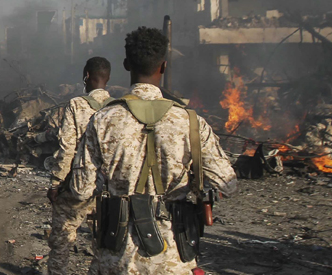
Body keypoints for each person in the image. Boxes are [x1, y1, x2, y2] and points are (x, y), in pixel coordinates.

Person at [66, 26, 237, 274]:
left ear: (126, 65)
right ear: (164, 66)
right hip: (174, 256)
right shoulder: (191, 122)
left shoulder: (102, 120)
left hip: (116, 256)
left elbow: (81, 190)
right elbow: (227, 185)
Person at [46, 56, 112, 275]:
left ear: (86, 77)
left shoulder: (76, 105)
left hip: (79, 187)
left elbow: (67, 148)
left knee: (61, 240)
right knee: (106, 243)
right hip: (111, 190)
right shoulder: (118, 108)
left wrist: (56, 184)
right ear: (108, 79)